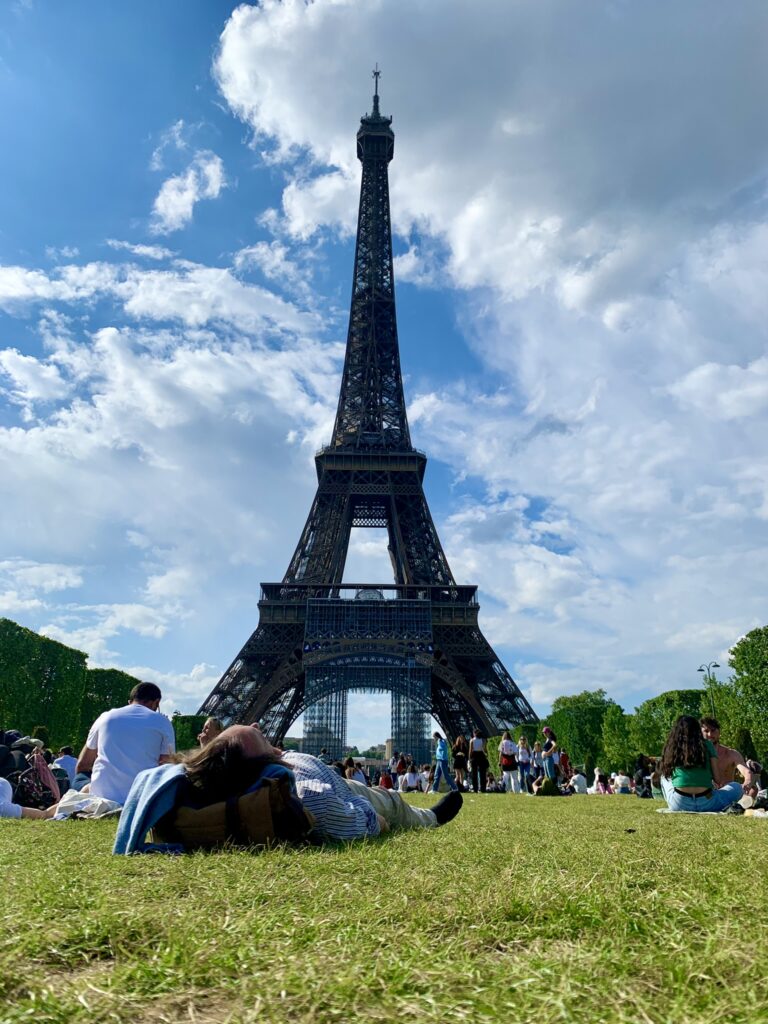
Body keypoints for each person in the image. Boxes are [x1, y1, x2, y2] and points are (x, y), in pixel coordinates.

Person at [76, 682, 176, 805]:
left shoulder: (105, 717)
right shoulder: (162, 722)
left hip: (101, 795)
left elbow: (83, 765)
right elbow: (167, 764)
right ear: (156, 702)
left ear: (130, 702)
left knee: (81, 778)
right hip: (141, 797)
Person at [659, 715, 743, 813]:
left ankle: (672, 801)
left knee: (664, 778)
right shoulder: (708, 745)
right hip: (707, 802)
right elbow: (718, 780)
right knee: (737, 787)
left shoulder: (672, 748)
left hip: (679, 804)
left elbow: (667, 773)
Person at [700, 717, 758, 792]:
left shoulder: (731, 754)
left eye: (713, 730)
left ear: (719, 732)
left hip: (727, 796)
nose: (710, 734)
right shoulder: (696, 755)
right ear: (700, 733)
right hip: (704, 797)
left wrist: (747, 782)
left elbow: (747, 772)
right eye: (706, 731)